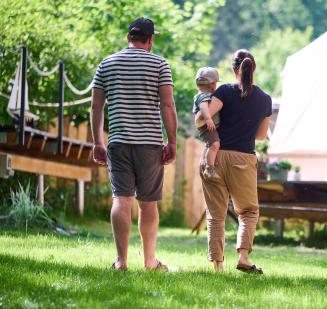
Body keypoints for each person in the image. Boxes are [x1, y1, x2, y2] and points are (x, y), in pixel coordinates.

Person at [90, 17, 177, 271]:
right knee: (148, 203)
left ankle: (121, 261)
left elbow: (96, 106)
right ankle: (150, 262)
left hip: (118, 141)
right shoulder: (160, 64)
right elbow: (168, 105)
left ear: (129, 37)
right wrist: (172, 142)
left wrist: (98, 141)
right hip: (149, 143)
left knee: (121, 198)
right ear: (150, 40)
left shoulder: (107, 63)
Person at [198, 49, 272, 273]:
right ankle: (243, 257)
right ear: (254, 68)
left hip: (216, 156)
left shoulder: (224, 92)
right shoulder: (264, 99)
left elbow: (203, 118)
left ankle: (218, 266)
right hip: (244, 158)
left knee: (216, 214)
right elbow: (260, 135)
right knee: (248, 211)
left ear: (234, 70)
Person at [192, 67, 221, 179]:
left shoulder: (204, 94)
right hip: (206, 126)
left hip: (208, 126)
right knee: (215, 144)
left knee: (211, 145)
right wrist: (208, 119)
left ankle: (208, 164)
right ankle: (209, 168)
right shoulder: (203, 95)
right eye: (215, 83)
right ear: (211, 84)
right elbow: (204, 107)